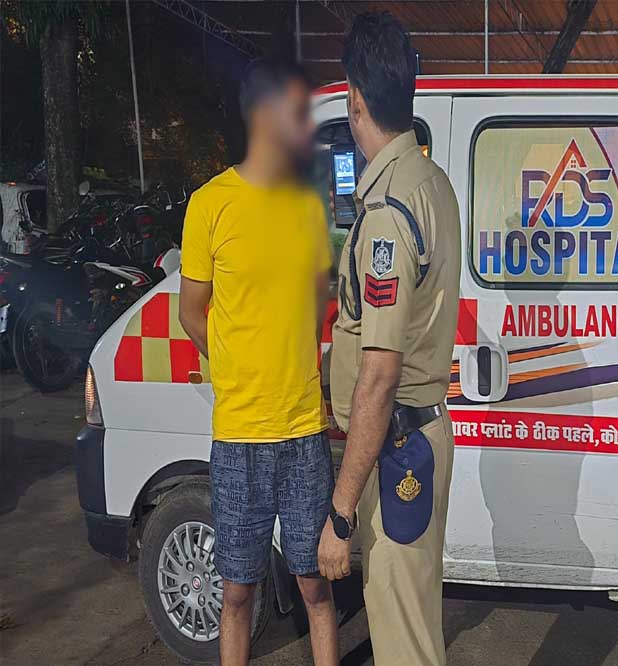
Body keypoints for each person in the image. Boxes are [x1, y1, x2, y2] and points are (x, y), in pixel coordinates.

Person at [178, 59, 338, 666]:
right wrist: (236, 364)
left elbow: (317, 306)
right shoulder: (209, 205)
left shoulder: (308, 208)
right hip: (239, 437)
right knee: (237, 593)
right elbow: (191, 311)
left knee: (315, 587)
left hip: (302, 431)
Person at [317, 12, 461, 666]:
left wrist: (341, 513)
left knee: (403, 643)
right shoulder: (431, 184)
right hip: (419, 437)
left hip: (396, 449)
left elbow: (378, 376)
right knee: (415, 627)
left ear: (354, 98)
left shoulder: (386, 213)